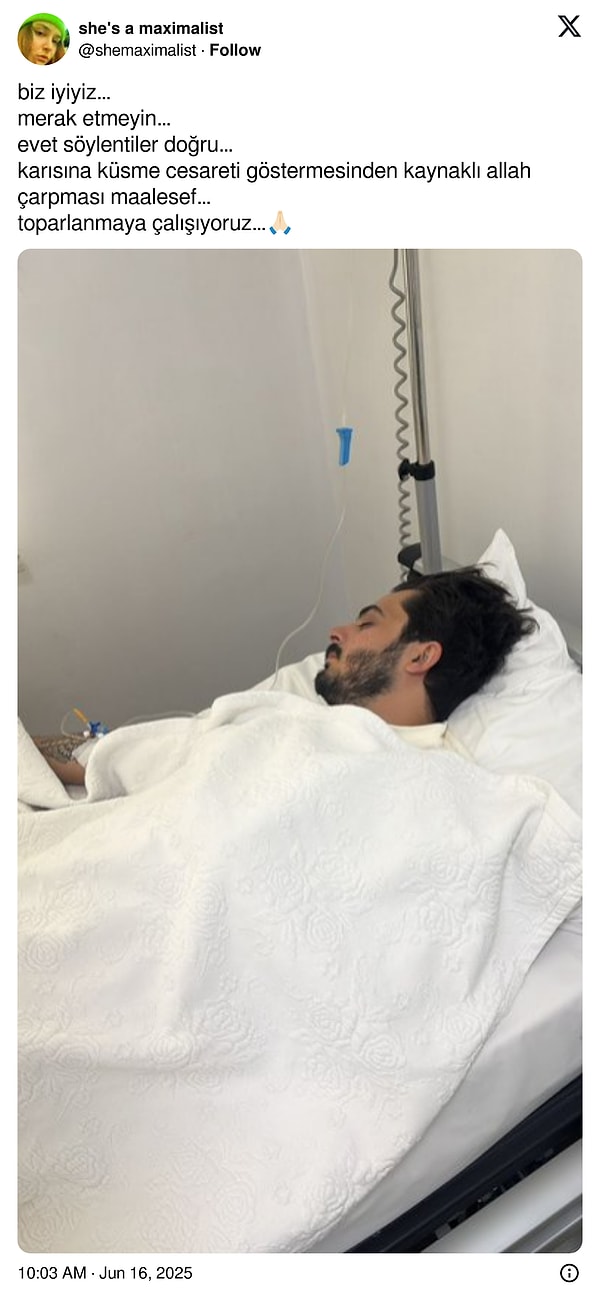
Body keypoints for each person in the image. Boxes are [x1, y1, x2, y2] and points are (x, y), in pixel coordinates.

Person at [33, 566, 537, 787]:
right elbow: (148, 761)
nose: (337, 631)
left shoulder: (437, 778)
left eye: (366, 624)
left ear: (420, 656)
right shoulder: (288, 722)